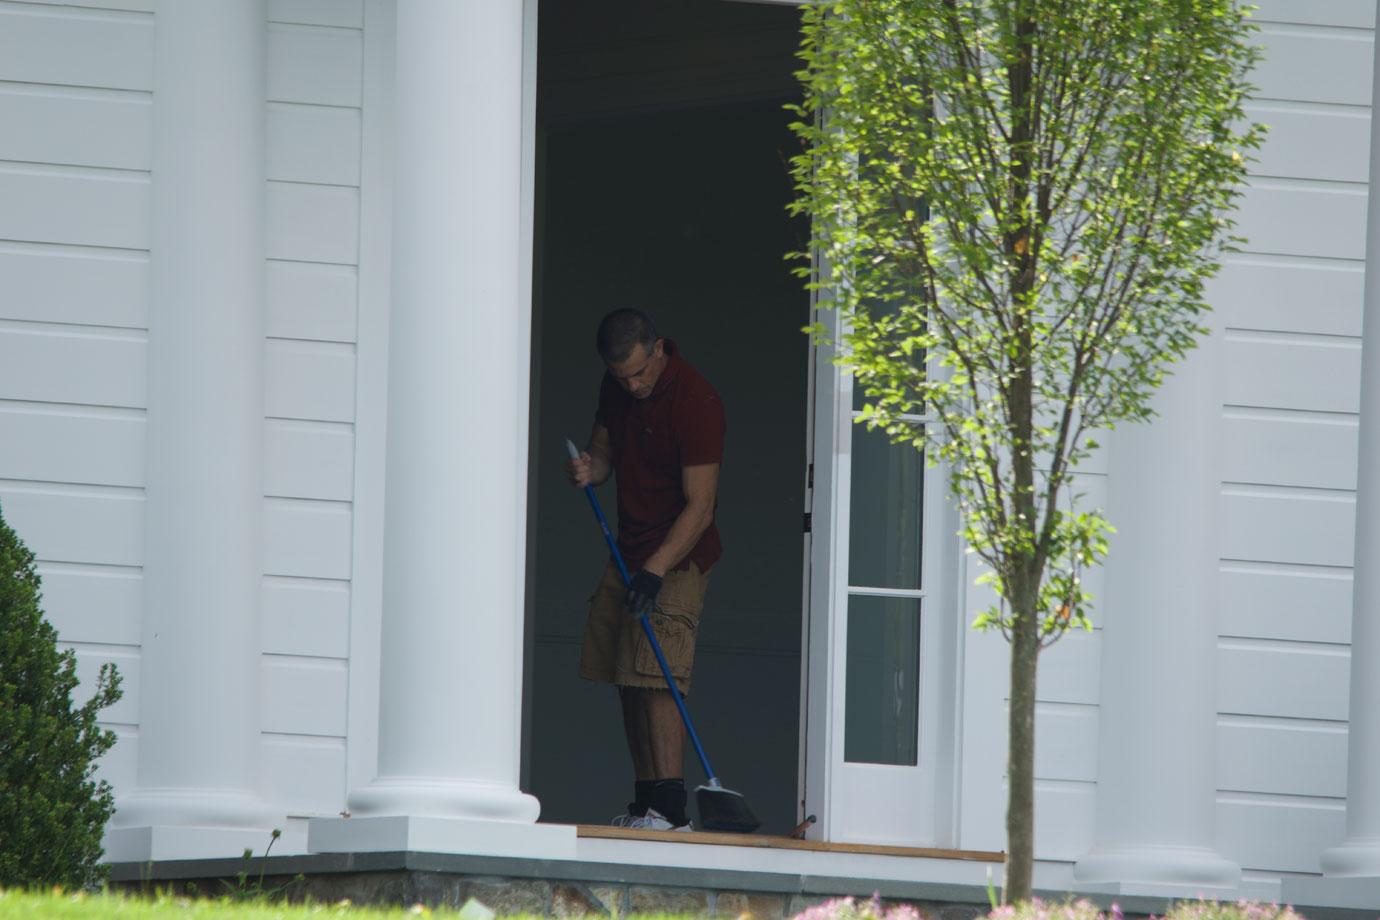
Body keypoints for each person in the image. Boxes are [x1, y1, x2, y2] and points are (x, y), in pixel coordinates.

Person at [565, 308, 725, 831]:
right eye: (621, 377)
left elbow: (700, 508)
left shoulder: (695, 402)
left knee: (659, 679)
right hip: (628, 553)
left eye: (639, 372)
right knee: (627, 676)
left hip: (678, 556)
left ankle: (673, 813)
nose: (632, 385)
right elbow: (604, 453)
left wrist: (655, 571)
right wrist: (592, 468)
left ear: (658, 349)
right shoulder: (616, 389)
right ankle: (647, 805)